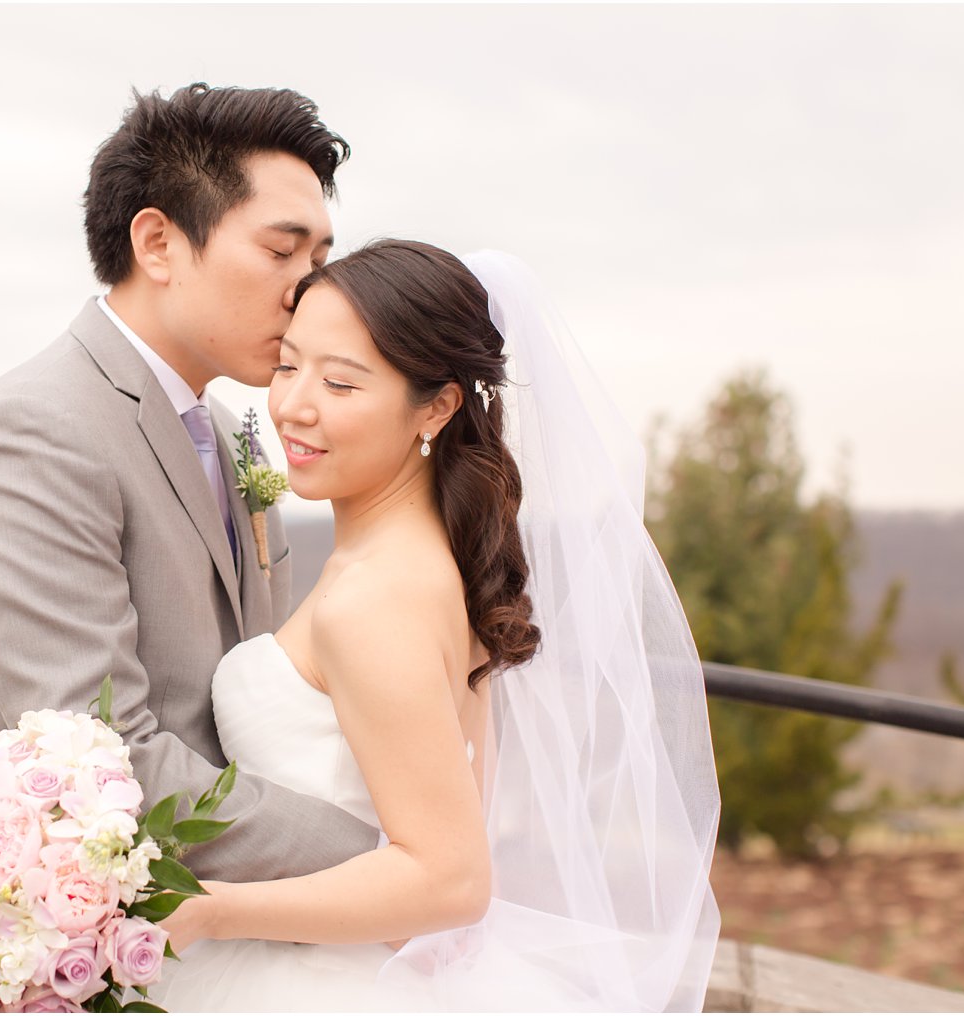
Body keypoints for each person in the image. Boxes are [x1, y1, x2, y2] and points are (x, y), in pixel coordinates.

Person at [149, 240, 722, 1011]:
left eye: (341, 382)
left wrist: (215, 909)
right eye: (288, 365)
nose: (293, 405)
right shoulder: (428, 558)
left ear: (438, 405)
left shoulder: (374, 598)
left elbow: (449, 878)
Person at [0, 83, 381, 892]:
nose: (311, 289)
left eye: (319, 260)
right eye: (282, 253)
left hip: (229, 926)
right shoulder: (37, 431)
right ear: (158, 244)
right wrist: (390, 861)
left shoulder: (234, 428)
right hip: (89, 960)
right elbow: (103, 760)